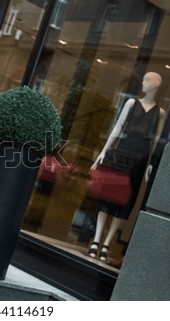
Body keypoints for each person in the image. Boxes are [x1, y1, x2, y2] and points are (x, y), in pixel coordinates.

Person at [88, 72, 165, 262]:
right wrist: (103, 151)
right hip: (121, 153)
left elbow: (156, 141)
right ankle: (96, 240)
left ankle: (107, 243)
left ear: (155, 85)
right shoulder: (131, 103)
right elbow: (117, 126)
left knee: (124, 201)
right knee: (108, 195)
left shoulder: (160, 113)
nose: (143, 84)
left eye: (146, 81)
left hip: (140, 159)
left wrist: (151, 163)